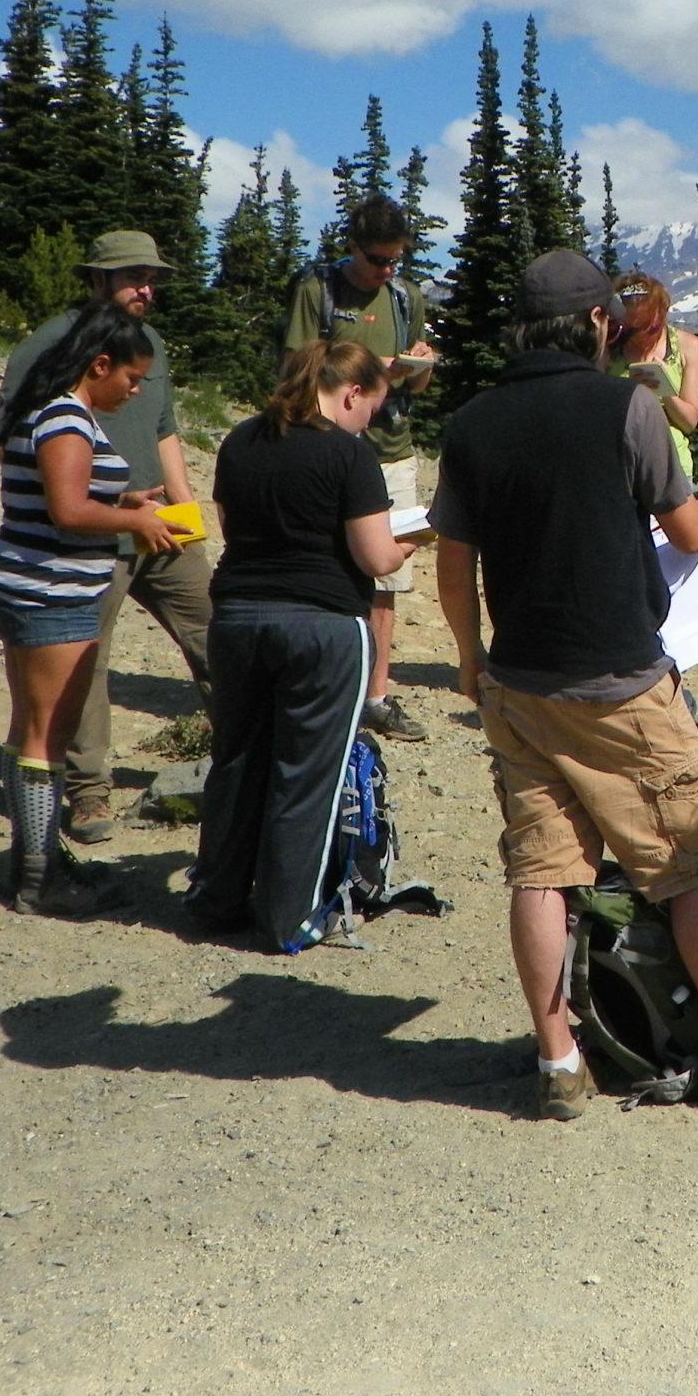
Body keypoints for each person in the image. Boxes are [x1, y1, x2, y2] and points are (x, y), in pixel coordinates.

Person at [433, 251, 698, 1121]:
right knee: (685, 862)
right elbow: (684, 529)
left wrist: (469, 658)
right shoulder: (628, 409)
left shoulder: (473, 424)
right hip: (622, 678)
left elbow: (455, 570)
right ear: (599, 324)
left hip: (521, 677)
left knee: (542, 869)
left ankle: (559, 1060)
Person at [185, 340, 418, 947]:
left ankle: (217, 896)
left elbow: (233, 528)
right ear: (350, 394)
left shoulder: (241, 440)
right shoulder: (348, 455)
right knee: (306, 772)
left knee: (237, 761)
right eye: (372, 407)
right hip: (323, 624)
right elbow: (376, 557)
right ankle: (290, 915)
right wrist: (416, 540)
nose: (371, 420)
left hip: (237, 617)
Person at [0, 230, 211, 846]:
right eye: (133, 277)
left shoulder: (150, 346)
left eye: (153, 278)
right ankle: (88, 795)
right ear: (97, 279)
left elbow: (166, 430)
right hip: (91, 535)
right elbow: (8, 439)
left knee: (217, 634)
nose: (146, 289)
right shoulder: (45, 346)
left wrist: (185, 508)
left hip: (156, 519)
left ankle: (248, 760)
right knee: (87, 665)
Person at [0, 304, 183, 915]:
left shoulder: (48, 411)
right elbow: (68, 511)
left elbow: (61, 493)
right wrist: (135, 520)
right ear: (100, 365)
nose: (136, 389)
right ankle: (41, 880)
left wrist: (120, 496)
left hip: (28, 581)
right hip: (51, 591)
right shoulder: (67, 418)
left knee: (30, 729)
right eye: (130, 377)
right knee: (47, 735)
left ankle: (31, 860)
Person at [283, 195, 435, 742]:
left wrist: (418, 368)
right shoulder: (316, 289)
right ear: (353, 247)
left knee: (385, 578)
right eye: (378, 260)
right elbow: (297, 367)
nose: (387, 270)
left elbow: (417, 386)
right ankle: (320, 684)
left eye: (396, 259)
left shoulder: (405, 297)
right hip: (324, 447)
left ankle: (377, 693)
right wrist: (371, 371)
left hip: (389, 445)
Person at [607, 272, 698, 478]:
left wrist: (665, 389)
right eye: (634, 330)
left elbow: (689, 422)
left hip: (672, 466)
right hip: (619, 463)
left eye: (653, 327)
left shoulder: (688, 346)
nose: (645, 336)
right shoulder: (609, 348)